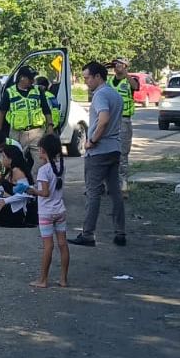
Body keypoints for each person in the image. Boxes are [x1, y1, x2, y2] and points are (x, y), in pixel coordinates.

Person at [71, 61, 126, 247]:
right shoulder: (115, 95)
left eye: (87, 78)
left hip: (99, 151)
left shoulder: (100, 95)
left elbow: (103, 119)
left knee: (93, 192)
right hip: (114, 148)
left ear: (97, 77)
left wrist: (92, 141)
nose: (85, 81)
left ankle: (88, 234)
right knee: (115, 191)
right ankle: (120, 232)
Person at [30, 132, 70, 288]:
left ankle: (43, 279)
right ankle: (63, 279)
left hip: (46, 212)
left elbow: (45, 193)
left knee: (48, 246)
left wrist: (33, 191)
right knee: (63, 244)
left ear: (44, 150)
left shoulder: (43, 170)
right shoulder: (61, 167)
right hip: (60, 210)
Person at [0, 67, 52, 171]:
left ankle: (36, 180)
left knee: (41, 162)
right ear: (22, 78)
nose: (32, 81)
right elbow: (1, 113)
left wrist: (50, 126)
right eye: (30, 78)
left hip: (37, 132)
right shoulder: (10, 92)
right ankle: (17, 179)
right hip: (17, 133)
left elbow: (46, 110)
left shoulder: (38, 91)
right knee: (13, 162)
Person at [0, 145, 38, 228]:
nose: (2, 159)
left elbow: (26, 194)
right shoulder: (10, 171)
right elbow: (7, 188)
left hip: (15, 213)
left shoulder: (17, 171)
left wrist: (5, 201)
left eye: (4, 157)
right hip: (10, 208)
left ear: (10, 159)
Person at [107, 57, 135, 195]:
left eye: (120, 64)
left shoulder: (129, 81)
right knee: (108, 152)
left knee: (123, 154)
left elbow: (136, 87)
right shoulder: (109, 82)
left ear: (125, 66)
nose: (116, 66)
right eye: (115, 64)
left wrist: (126, 74)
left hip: (124, 120)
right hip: (110, 120)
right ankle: (109, 184)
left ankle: (123, 184)